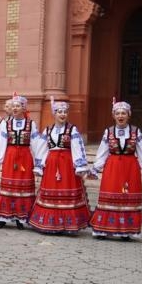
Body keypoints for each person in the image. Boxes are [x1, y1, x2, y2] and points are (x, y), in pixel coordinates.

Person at [89, 99, 142, 240]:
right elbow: (102, 152)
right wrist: (95, 169)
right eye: (118, 113)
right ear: (113, 115)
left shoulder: (135, 131)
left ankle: (127, 231)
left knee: (127, 197)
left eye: (123, 113)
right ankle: (103, 229)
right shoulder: (108, 132)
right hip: (112, 167)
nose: (120, 116)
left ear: (128, 115)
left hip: (130, 168)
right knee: (110, 196)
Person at [28, 98, 91, 234]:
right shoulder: (48, 130)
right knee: (51, 192)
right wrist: (39, 166)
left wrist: (79, 166)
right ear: (54, 114)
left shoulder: (72, 130)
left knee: (67, 191)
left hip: (67, 164)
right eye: (59, 112)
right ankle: (50, 223)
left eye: (65, 112)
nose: (62, 114)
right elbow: (42, 148)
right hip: (52, 164)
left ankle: (68, 225)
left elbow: (77, 147)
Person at [0, 95, 41, 229]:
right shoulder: (6, 123)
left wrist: (39, 162)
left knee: (23, 187)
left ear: (24, 108)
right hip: (11, 156)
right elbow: (2, 141)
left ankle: (20, 218)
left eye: (18, 106)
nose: (15, 108)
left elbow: (36, 143)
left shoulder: (31, 124)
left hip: (25, 157)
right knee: (7, 186)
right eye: (14, 106)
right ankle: (3, 217)